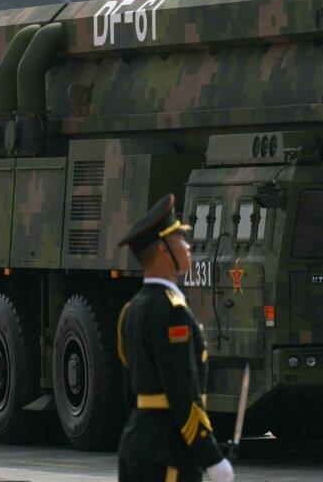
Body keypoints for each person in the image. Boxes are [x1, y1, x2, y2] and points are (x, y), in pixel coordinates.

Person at [117, 195, 234, 482]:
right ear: (163, 249)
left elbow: (131, 390)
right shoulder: (171, 312)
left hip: (138, 445)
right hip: (168, 453)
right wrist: (211, 457)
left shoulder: (131, 310)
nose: (188, 246)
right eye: (180, 239)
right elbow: (183, 392)